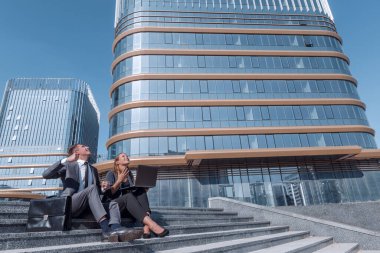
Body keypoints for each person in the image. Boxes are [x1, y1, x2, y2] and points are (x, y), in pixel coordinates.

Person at [42, 144, 143, 242]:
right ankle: (106, 230)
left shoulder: (93, 169)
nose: (87, 147)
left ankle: (116, 227)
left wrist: (103, 188)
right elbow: (46, 174)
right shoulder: (68, 165)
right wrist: (65, 160)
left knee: (113, 204)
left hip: (87, 207)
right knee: (91, 188)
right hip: (71, 204)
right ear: (76, 152)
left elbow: (97, 191)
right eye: (83, 146)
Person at [102, 153, 169, 239]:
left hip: (127, 208)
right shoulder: (111, 173)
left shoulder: (129, 175)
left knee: (140, 190)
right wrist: (119, 180)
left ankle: (146, 227)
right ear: (117, 162)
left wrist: (144, 189)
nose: (126, 157)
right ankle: (152, 224)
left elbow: (130, 192)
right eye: (123, 156)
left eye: (127, 156)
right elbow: (109, 193)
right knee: (129, 196)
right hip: (114, 207)